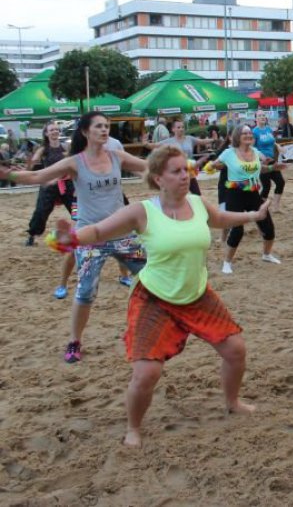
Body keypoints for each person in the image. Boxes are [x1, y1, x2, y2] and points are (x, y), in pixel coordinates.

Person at [49, 145, 263, 447]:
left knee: (236, 350)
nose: (184, 176)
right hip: (154, 299)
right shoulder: (142, 211)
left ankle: (233, 403)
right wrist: (69, 238)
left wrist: (253, 214)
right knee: (147, 373)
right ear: (158, 178)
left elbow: (220, 219)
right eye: (175, 172)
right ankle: (133, 427)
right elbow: (97, 232)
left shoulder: (197, 203)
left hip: (198, 295)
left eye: (185, 170)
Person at [0, 112, 149, 363]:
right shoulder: (74, 162)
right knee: (85, 291)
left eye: (107, 126)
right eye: (99, 126)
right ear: (85, 132)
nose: (104, 130)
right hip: (90, 236)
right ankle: (74, 341)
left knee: (151, 276)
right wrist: (8, 175)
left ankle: (164, 325)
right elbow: (38, 176)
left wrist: (182, 163)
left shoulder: (116, 156)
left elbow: (150, 166)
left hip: (122, 234)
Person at [209, 124, 285, 274]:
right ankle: (227, 262)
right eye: (245, 133)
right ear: (238, 136)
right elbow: (213, 165)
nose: (248, 135)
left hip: (253, 193)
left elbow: (260, 169)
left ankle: (267, 254)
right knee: (237, 230)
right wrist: (212, 166)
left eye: (250, 133)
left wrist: (272, 168)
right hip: (234, 194)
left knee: (268, 227)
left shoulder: (256, 152)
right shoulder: (229, 153)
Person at [25, 122, 77, 299]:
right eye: (51, 130)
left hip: (66, 183)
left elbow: (73, 161)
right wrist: (31, 165)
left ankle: (83, 232)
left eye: (56, 129)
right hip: (49, 185)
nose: (55, 132)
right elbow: (32, 164)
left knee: (77, 209)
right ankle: (32, 234)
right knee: (41, 211)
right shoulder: (43, 149)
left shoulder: (65, 146)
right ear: (46, 133)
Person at [148, 118, 215, 194]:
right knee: (178, 193)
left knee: (197, 194)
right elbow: (155, 145)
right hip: (176, 171)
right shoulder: (169, 141)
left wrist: (213, 139)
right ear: (173, 129)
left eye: (183, 127)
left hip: (189, 170)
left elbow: (202, 141)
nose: (181, 129)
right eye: (179, 127)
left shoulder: (189, 139)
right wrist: (145, 144)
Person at [253, 112, 286, 212]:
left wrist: (278, 146)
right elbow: (252, 147)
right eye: (260, 116)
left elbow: (273, 141)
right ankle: (260, 208)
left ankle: (276, 208)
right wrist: (260, 156)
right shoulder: (254, 131)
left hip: (272, 160)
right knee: (266, 186)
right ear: (256, 119)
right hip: (263, 163)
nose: (262, 117)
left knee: (280, 182)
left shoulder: (268, 129)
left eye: (263, 115)